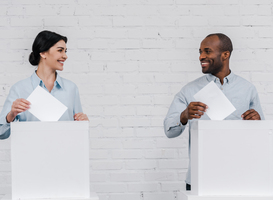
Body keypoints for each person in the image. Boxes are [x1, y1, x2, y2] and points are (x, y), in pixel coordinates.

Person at [163, 33, 264, 191]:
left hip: (239, 177)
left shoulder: (247, 89)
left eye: (207, 51)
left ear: (225, 55)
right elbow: (169, 131)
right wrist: (184, 116)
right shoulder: (189, 90)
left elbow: (262, 137)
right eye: (200, 52)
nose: (201, 56)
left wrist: (258, 123)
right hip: (200, 178)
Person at [0, 30, 88, 140]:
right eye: (60, 50)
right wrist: (11, 115)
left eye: (65, 51)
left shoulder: (71, 88)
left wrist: (83, 124)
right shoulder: (19, 89)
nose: (65, 56)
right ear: (43, 53)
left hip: (64, 154)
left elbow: (79, 133)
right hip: (31, 154)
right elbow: (1, 134)